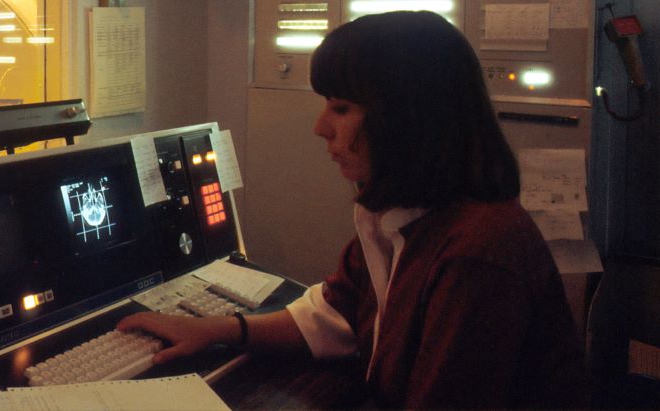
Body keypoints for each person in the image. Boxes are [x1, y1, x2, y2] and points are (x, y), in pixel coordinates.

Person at [116, 11, 586, 409]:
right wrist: (214, 330)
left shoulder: (476, 254)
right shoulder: (401, 215)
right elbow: (336, 314)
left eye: (341, 109)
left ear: (408, 117)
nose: (321, 128)